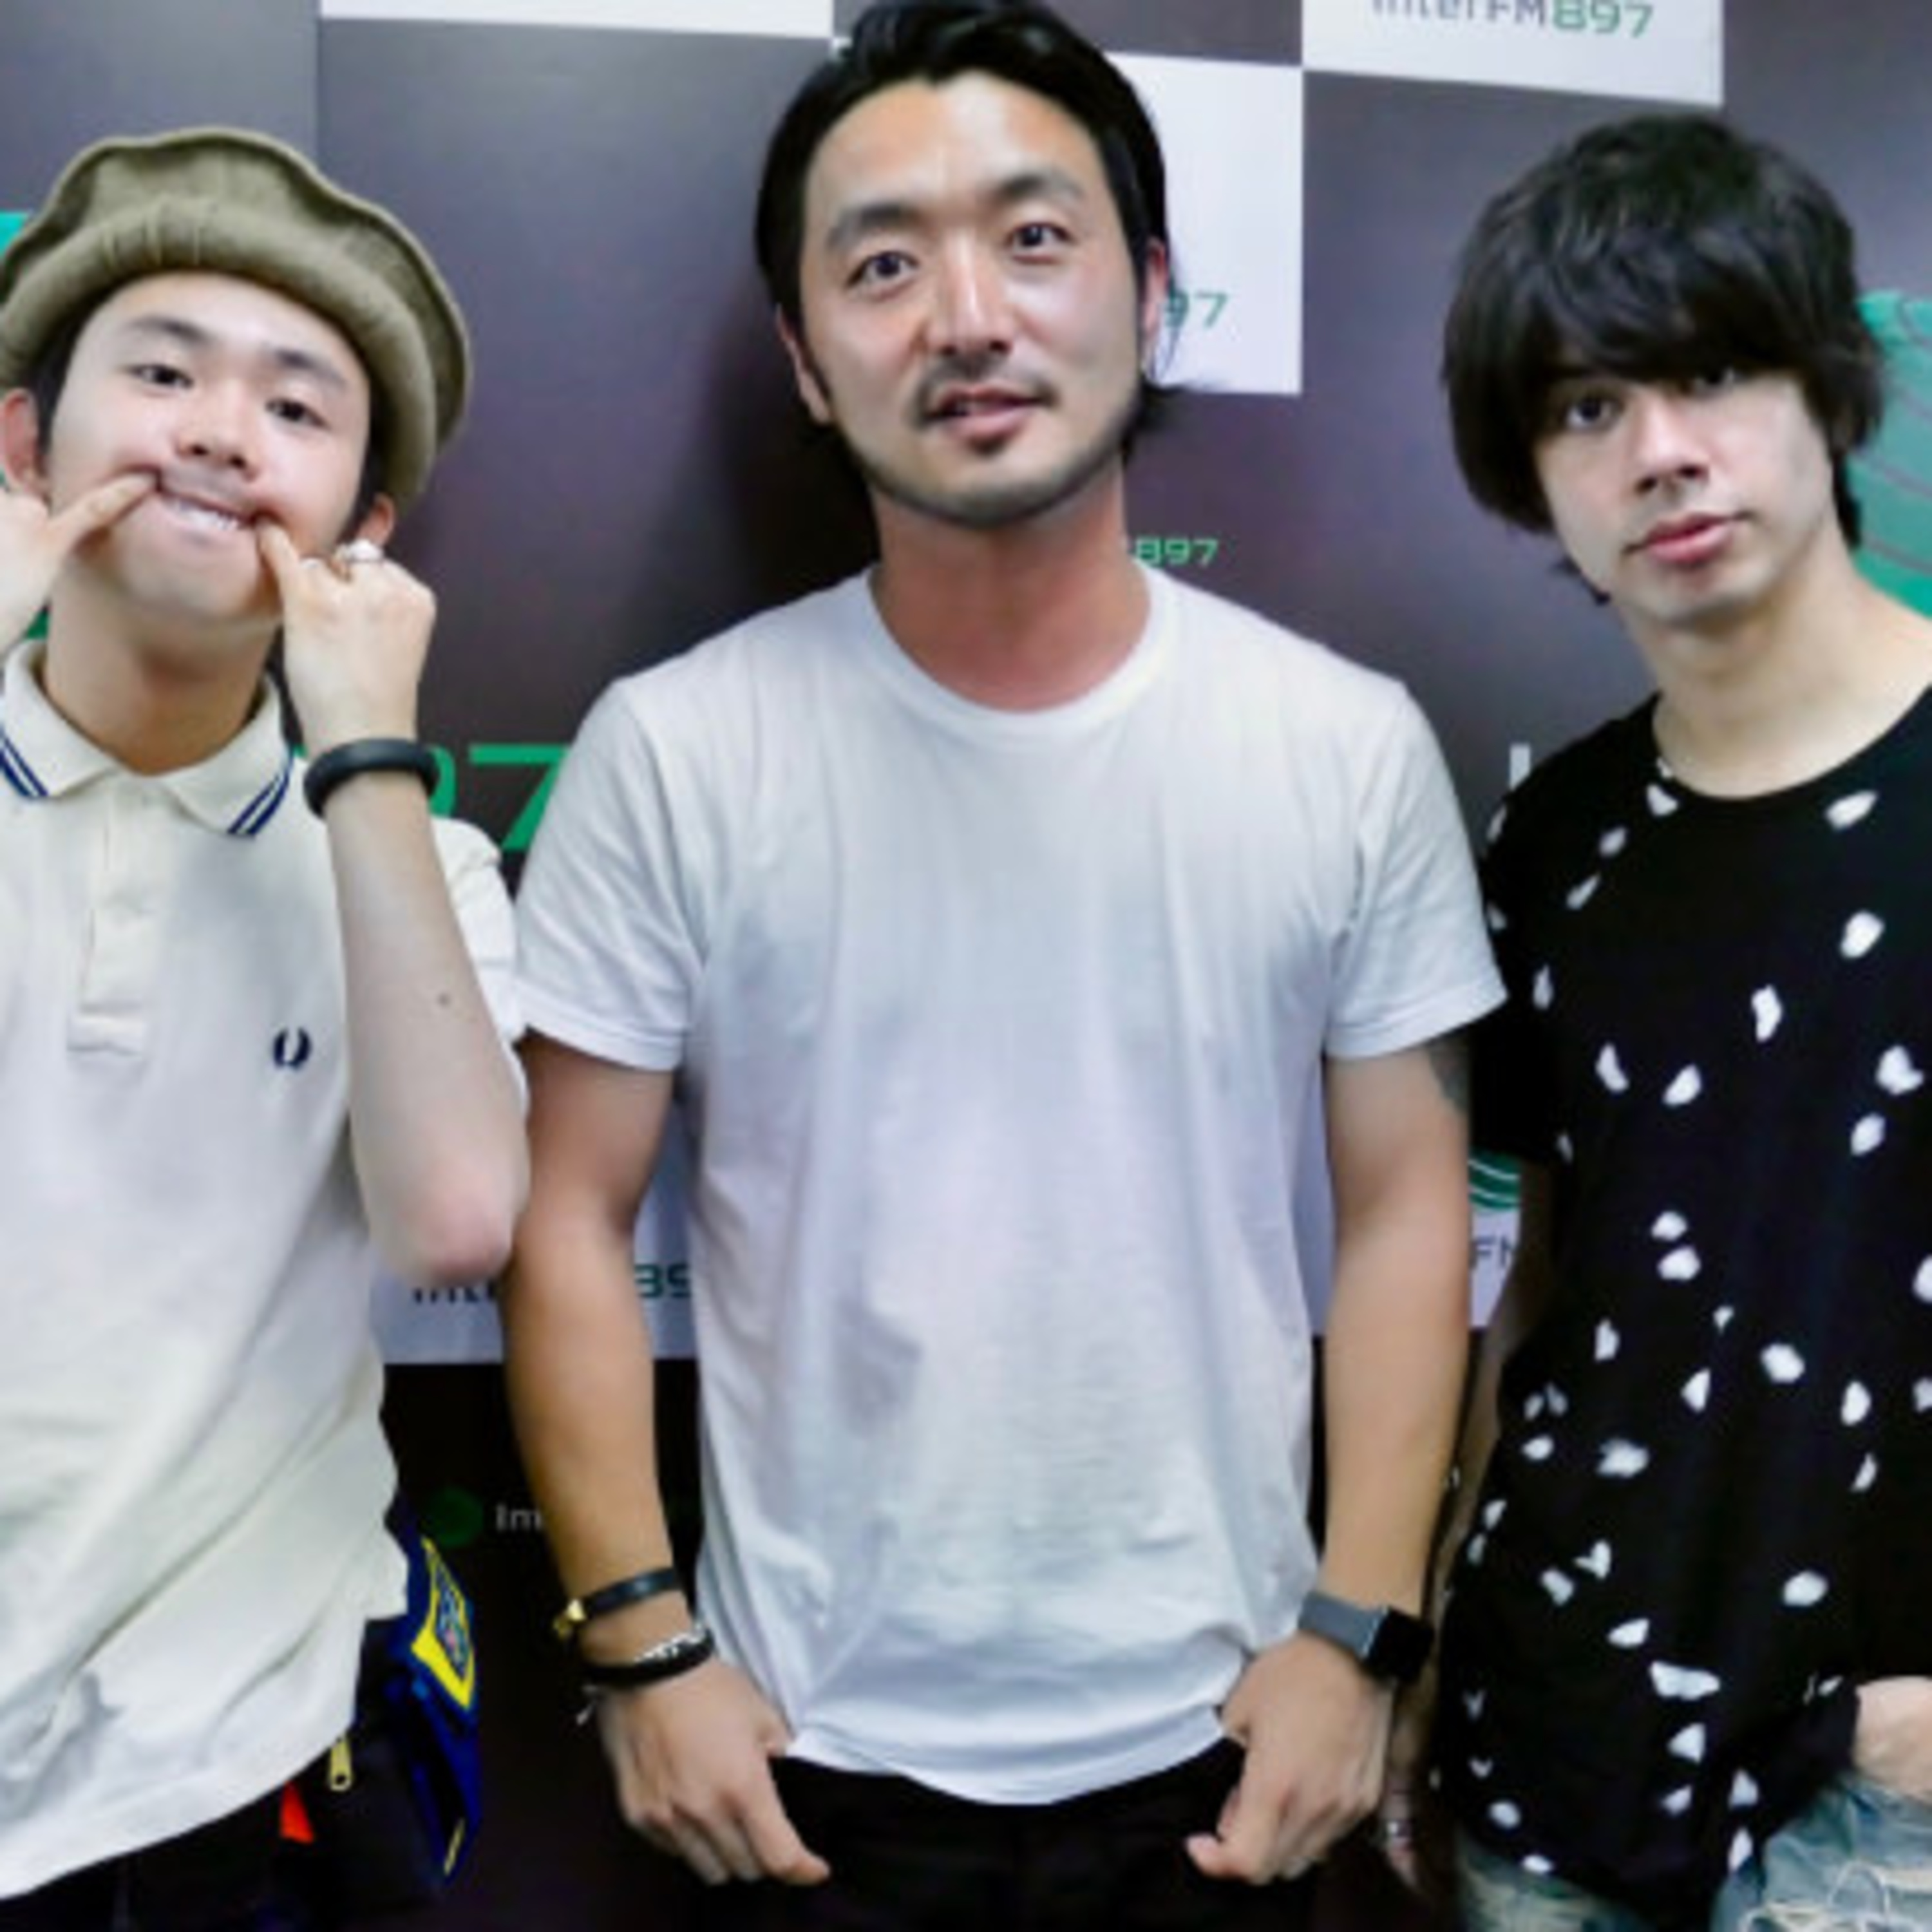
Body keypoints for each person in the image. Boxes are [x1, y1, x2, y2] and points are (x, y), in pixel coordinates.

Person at [505, 4, 1500, 1927]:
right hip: (803, 1762)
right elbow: (565, 1215)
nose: (966, 317)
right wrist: (639, 1645)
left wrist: (1359, 1633)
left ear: (1153, 294)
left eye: (1034, 239)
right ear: (807, 362)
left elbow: (1403, 1212)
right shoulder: (680, 748)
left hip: (1221, 1752)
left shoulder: (1342, 744)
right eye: (884, 265)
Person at [0, 129, 527, 1926]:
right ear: (25, 445)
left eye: (297, 409)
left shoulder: (419, 867)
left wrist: (365, 749)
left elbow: (456, 1224)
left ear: (364, 532)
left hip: (244, 1773)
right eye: (161, 376)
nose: (222, 435)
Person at [1429, 111, 1932, 1929]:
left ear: (1827, 388)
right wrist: (1441, 1640)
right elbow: (1540, 1281)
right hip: (1553, 1753)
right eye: (1586, 407)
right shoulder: (1555, 836)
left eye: (1711, 373)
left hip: (1877, 1805)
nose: (1659, 451)